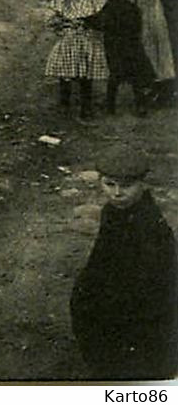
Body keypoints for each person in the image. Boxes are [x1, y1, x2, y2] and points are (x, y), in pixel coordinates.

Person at [69, 147, 178, 380]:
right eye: (110, 184)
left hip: (140, 308)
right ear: (100, 181)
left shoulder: (152, 227)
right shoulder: (112, 211)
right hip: (116, 293)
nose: (117, 193)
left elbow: (155, 284)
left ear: (142, 185)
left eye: (126, 186)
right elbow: (101, 257)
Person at [44, 0, 109, 120]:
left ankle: (83, 107)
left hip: (84, 41)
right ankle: (67, 103)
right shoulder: (59, 0)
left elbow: (99, 19)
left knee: (83, 76)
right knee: (67, 74)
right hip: (72, 41)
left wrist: (87, 22)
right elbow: (52, 22)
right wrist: (62, 25)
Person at [93, 0, 153, 117]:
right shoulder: (132, 8)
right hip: (133, 47)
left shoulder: (108, 8)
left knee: (114, 77)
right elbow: (138, 27)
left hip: (114, 47)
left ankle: (110, 106)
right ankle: (140, 106)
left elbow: (100, 24)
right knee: (135, 78)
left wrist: (87, 20)